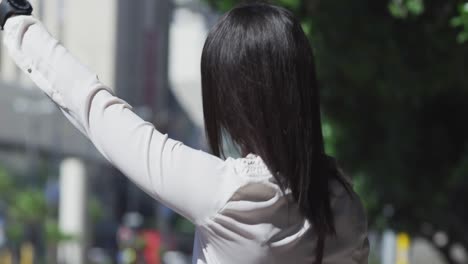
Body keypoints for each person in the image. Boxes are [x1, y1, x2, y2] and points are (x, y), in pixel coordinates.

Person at [1, 1, 369, 263]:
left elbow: (97, 111)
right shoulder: (346, 204)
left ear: (232, 102)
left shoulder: (228, 196)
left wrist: (15, 23)